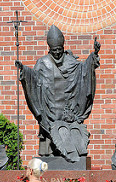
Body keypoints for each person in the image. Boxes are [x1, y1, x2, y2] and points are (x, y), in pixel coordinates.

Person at [15, 25, 101, 162]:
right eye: (54, 50)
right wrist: (24, 70)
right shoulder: (43, 62)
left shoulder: (70, 61)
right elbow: (35, 77)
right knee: (49, 130)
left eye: (59, 50)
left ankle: (73, 151)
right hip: (50, 105)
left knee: (68, 129)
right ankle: (48, 153)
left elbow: (83, 70)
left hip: (67, 103)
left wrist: (93, 55)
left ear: (63, 47)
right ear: (49, 49)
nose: (57, 53)